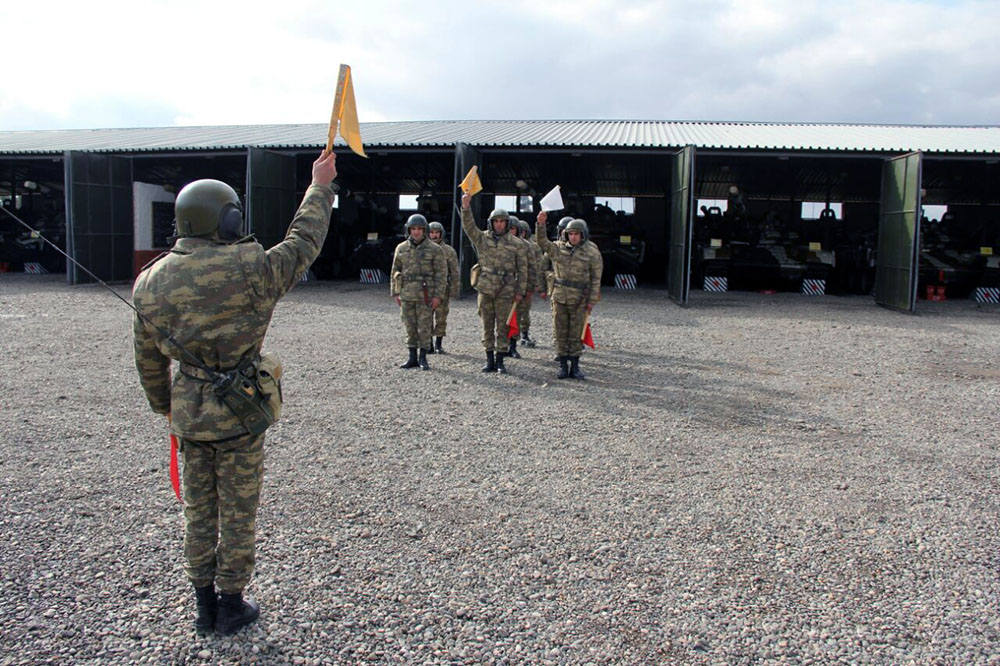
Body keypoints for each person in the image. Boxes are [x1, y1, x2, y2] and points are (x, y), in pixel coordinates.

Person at [132, 151, 339, 635]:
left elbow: (148, 365)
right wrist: (319, 186)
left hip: (189, 414)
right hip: (241, 413)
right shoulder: (251, 269)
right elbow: (303, 241)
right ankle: (231, 601)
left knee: (198, 509)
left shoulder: (149, 283)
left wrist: (169, 410)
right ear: (228, 219)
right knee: (239, 508)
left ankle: (203, 604)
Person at [460, 194, 527, 374]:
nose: (499, 224)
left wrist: (520, 291)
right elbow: (469, 227)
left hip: (506, 289)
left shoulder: (517, 244)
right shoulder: (482, 238)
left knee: (503, 326)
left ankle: (500, 360)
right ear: (491, 222)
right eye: (496, 221)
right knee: (487, 324)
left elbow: (522, 269)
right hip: (486, 288)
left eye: (502, 221)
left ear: (507, 223)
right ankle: (489, 359)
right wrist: (466, 208)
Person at [535, 214, 602, 379]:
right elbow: (542, 242)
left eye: (576, 234)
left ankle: (575, 367)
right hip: (560, 297)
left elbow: (596, 279)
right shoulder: (557, 249)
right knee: (560, 332)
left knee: (576, 333)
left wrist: (591, 301)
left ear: (582, 235)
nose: (573, 237)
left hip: (580, 298)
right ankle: (563, 366)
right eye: (570, 233)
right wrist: (540, 224)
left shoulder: (592, 253)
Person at [390, 214, 446, 370]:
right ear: (408, 230)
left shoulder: (435, 250)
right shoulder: (401, 248)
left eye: (419, 229)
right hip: (407, 294)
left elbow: (441, 274)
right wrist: (395, 292)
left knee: (424, 326)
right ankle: (412, 357)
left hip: (425, 295)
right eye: (413, 229)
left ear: (425, 230)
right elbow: (395, 270)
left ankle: (423, 357)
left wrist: (438, 296)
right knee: (410, 326)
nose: (416, 232)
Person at [427, 221, 460, 354]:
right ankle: (428, 343)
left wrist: (454, 289)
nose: (434, 235)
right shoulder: (424, 249)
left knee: (441, 317)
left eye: (436, 232)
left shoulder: (448, 251)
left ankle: (438, 344)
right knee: (426, 316)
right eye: (431, 232)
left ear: (441, 234)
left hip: (442, 290)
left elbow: (455, 272)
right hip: (426, 289)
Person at [504, 216, 532, 359]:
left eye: (513, 229)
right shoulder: (500, 243)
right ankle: (502, 346)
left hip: (519, 287)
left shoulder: (526, 246)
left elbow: (532, 268)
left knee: (517, 316)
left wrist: (529, 288)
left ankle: (513, 346)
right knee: (502, 318)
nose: (510, 231)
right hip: (502, 288)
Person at [517, 219, 546, 348]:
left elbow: (538, 267)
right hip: (512, 284)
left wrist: (537, 286)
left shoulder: (533, 247)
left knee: (524, 310)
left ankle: (524, 333)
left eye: (524, 232)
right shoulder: (512, 244)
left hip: (527, 282)